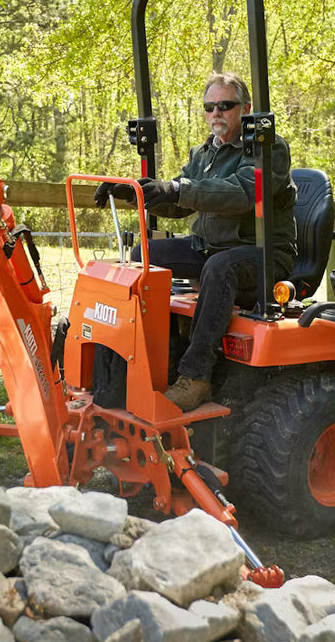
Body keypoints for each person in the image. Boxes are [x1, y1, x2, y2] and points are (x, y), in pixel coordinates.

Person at [94, 71, 297, 409]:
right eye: (209, 107)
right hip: (210, 248)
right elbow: (179, 202)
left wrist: (177, 189)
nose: (216, 113)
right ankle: (134, 361)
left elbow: (243, 192)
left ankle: (196, 376)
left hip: (262, 254)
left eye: (225, 105)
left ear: (245, 108)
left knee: (220, 268)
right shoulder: (203, 154)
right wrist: (137, 192)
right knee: (140, 254)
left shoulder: (268, 149)